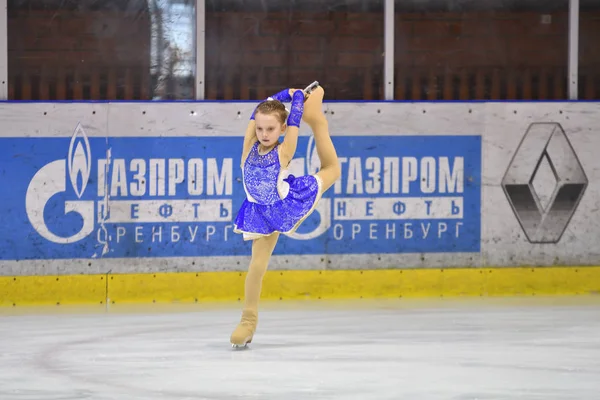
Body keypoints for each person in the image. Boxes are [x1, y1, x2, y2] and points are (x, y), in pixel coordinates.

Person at [230, 83, 341, 347]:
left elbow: (293, 122)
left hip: (285, 204)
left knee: (333, 169)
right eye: (259, 128)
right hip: (258, 212)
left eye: (270, 129)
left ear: (281, 130)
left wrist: (299, 99)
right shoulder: (248, 146)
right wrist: (287, 95)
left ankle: (318, 123)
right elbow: (258, 109)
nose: (263, 133)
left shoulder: (284, 151)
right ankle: (247, 323)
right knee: (256, 267)